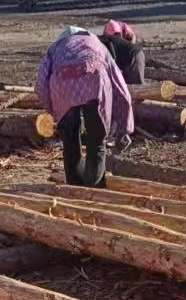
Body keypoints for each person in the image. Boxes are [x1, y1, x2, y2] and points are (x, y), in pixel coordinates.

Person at [35, 26, 134, 188]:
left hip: (62, 88)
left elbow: (40, 85)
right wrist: (125, 129)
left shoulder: (55, 49)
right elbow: (122, 89)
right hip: (95, 84)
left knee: (70, 143)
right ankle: (93, 187)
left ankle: (75, 188)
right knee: (97, 142)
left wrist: (51, 111)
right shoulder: (98, 45)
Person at [99, 19, 145, 85]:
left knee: (137, 87)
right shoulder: (112, 41)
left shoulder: (107, 41)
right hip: (129, 56)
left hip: (134, 55)